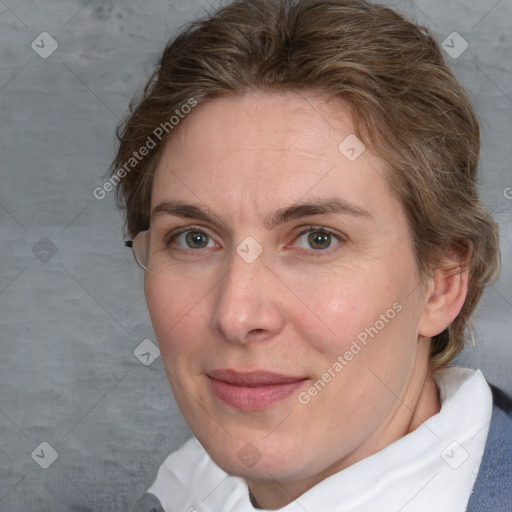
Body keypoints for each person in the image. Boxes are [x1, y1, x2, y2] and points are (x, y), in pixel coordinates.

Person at [110, 0, 512, 510]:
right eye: (194, 238)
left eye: (317, 238)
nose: (236, 316)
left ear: (442, 281)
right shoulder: (186, 486)